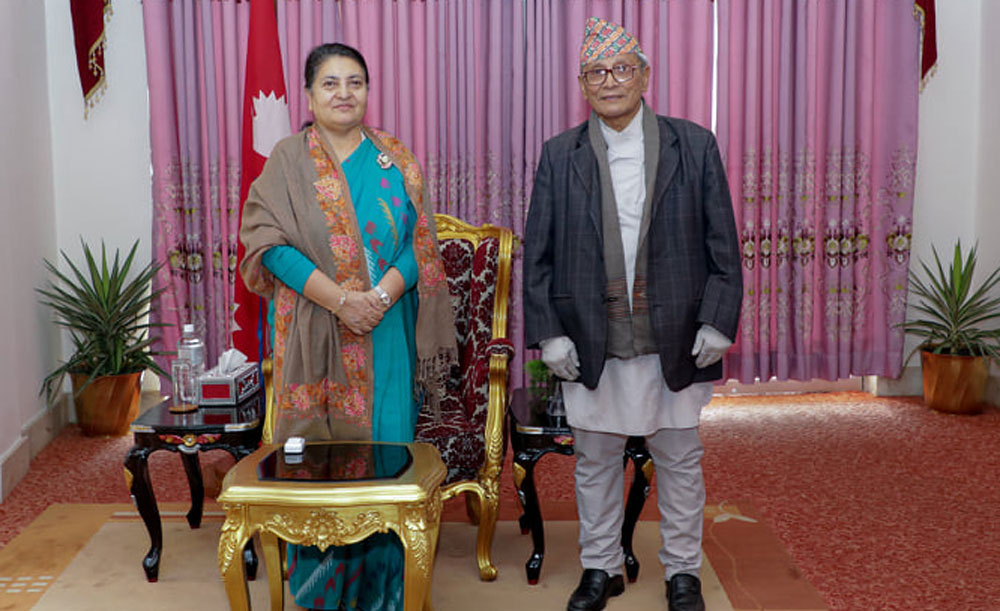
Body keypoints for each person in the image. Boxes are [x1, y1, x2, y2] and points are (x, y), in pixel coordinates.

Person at [522, 17, 742, 611]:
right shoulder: (559, 155)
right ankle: (601, 567)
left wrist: (718, 320)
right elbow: (538, 255)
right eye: (596, 72)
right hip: (591, 337)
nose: (610, 81)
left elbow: (723, 245)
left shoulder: (692, 145)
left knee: (680, 459)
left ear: (645, 76)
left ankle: (683, 572)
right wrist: (549, 334)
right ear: (582, 85)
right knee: (595, 460)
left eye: (622, 69)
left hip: (675, 334)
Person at [239, 42, 456, 611]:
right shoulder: (287, 160)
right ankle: (321, 595)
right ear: (309, 96)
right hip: (314, 335)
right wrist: (340, 301)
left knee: (387, 461)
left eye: (354, 82)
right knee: (318, 463)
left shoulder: (396, 159)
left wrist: (378, 297)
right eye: (330, 83)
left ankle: (386, 595)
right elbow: (267, 244)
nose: (343, 93)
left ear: (368, 91)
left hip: (386, 335)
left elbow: (421, 245)